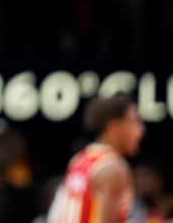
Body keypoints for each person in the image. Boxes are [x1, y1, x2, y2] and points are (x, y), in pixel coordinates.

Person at [46, 93, 145, 223]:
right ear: (114, 127)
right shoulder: (113, 168)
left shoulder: (80, 159)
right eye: (134, 122)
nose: (141, 130)